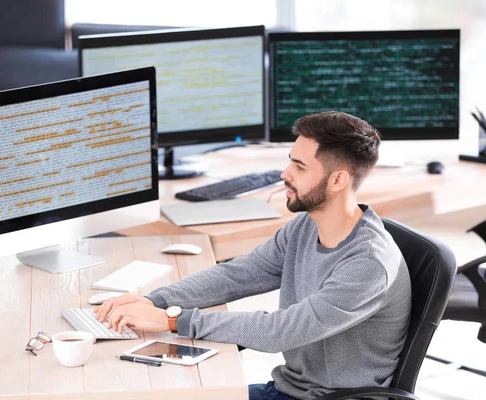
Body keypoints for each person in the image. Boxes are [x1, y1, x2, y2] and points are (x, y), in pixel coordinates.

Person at [94, 111, 412, 400]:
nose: (285, 173)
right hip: (289, 389)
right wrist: (155, 301)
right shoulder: (305, 225)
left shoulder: (368, 263)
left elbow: (280, 331)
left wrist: (172, 320)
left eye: (299, 166)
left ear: (338, 180)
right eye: (290, 161)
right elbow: (239, 274)